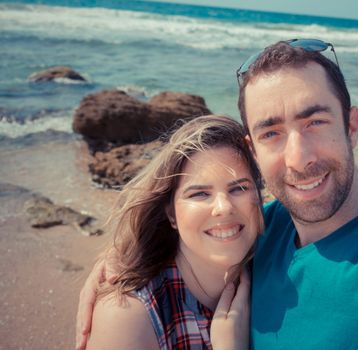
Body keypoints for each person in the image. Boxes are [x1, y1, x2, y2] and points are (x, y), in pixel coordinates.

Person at [78, 39, 358, 349]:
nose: (298, 158)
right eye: (271, 132)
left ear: (352, 126)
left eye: (315, 122)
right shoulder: (261, 231)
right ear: (253, 149)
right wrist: (117, 259)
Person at [84, 115, 263, 350]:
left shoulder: (277, 258)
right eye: (199, 194)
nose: (224, 208)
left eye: (239, 188)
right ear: (171, 214)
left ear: (259, 197)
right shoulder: (129, 315)